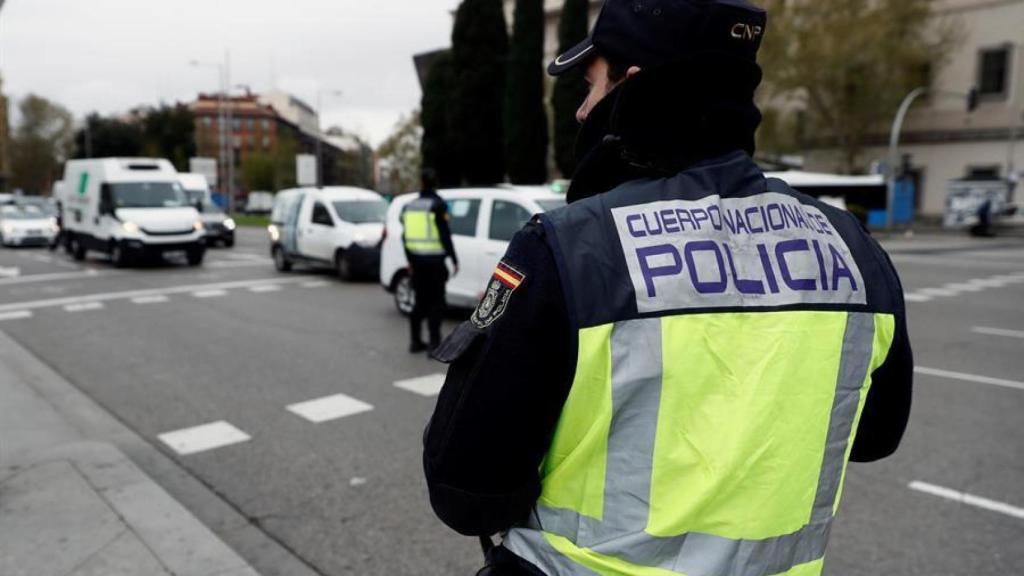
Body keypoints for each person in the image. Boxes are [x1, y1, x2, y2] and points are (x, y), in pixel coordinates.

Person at [423, 1, 914, 575]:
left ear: (631, 86)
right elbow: (874, 436)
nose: (582, 111)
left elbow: (465, 487)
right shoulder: (851, 246)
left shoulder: (570, 247)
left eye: (590, 86)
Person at [403, 168, 459, 354]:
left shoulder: (409, 206)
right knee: (436, 302)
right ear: (435, 182)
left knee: (419, 302)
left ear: (421, 182)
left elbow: (406, 237)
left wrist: (410, 260)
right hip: (435, 263)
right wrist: (454, 258)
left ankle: (415, 341)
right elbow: (445, 235)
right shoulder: (438, 205)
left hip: (417, 262)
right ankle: (434, 343)